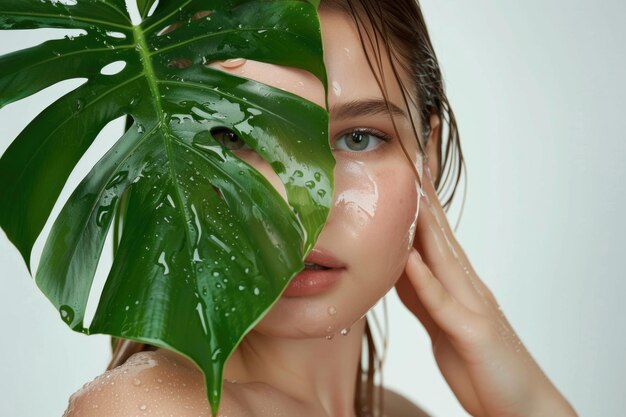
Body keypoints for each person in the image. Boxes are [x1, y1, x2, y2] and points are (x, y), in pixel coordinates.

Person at [64, 0, 578, 416]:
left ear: (429, 156)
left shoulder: (403, 414)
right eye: (234, 138)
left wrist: (524, 399)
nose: (299, 204)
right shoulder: (142, 410)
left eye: (358, 138)